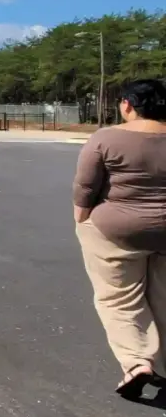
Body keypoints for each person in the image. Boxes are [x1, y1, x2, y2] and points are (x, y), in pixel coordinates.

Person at [73, 78, 166, 399]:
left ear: (127, 104)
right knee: (162, 299)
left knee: (119, 299)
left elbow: (85, 187)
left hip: (118, 232)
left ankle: (138, 363)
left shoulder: (106, 138)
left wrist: (82, 219)